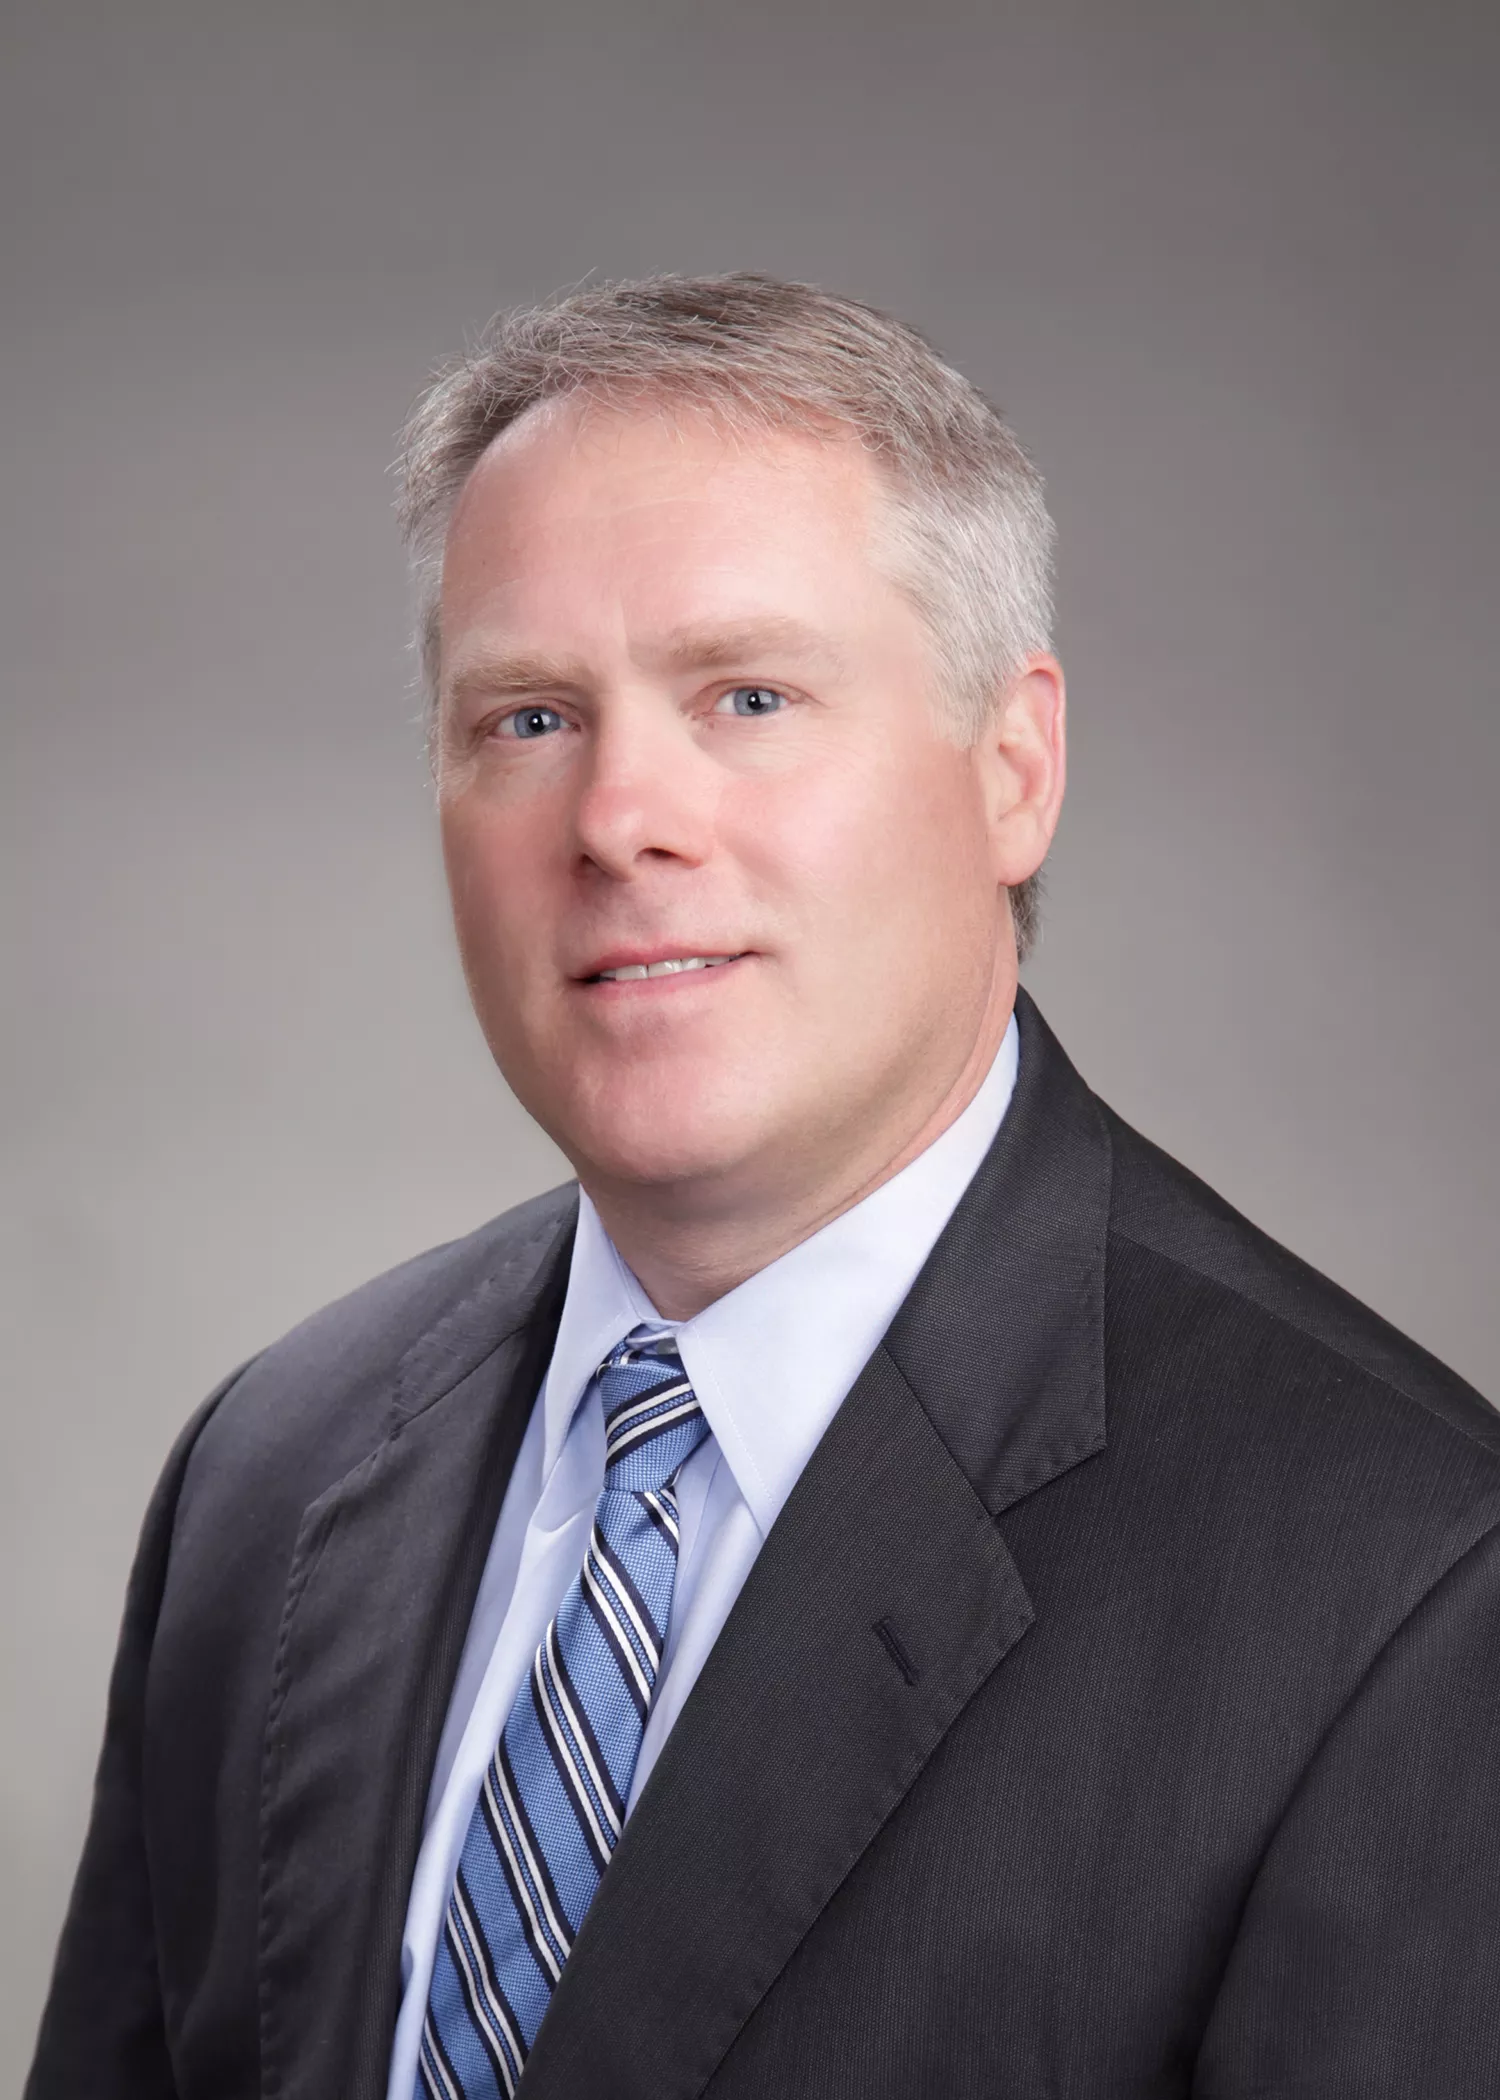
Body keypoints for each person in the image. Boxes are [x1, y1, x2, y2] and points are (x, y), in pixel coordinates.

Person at [26, 274, 1500, 2100]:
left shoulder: (1405, 1594)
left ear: (1015, 769)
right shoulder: (269, 1474)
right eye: (528, 719)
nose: (619, 819)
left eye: (748, 695)